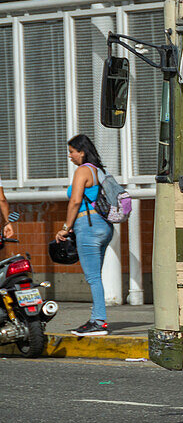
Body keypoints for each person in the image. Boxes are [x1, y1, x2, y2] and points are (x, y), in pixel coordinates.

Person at [54, 135, 113, 336]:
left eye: (72, 151)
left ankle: (98, 321)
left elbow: (75, 201)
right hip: (104, 227)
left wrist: (65, 226)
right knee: (96, 276)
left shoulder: (82, 171)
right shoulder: (98, 171)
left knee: (93, 277)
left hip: (88, 226)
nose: (70, 156)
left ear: (82, 152)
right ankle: (97, 318)